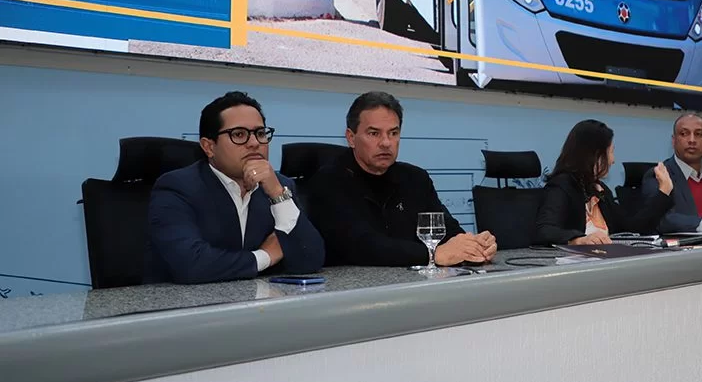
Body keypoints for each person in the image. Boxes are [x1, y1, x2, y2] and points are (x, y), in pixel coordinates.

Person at [145, 92, 325, 284]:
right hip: (186, 301)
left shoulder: (280, 185)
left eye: (260, 133)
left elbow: (311, 260)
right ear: (209, 147)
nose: (254, 143)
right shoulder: (178, 187)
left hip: (259, 298)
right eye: (239, 134)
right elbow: (191, 265)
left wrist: (277, 194)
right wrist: (265, 256)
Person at [306, 91, 497, 267]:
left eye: (393, 133)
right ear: (351, 137)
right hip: (353, 288)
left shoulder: (416, 179)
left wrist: (474, 245)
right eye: (374, 133)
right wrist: (431, 255)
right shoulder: (329, 181)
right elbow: (361, 245)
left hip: (415, 284)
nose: (386, 143)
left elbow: (446, 230)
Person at [534, 119, 675, 245]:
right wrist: (577, 240)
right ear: (596, 154)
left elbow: (632, 228)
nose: (613, 160)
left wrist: (664, 192)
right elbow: (544, 230)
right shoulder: (561, 186)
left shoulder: (599, 189)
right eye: (611, 152)